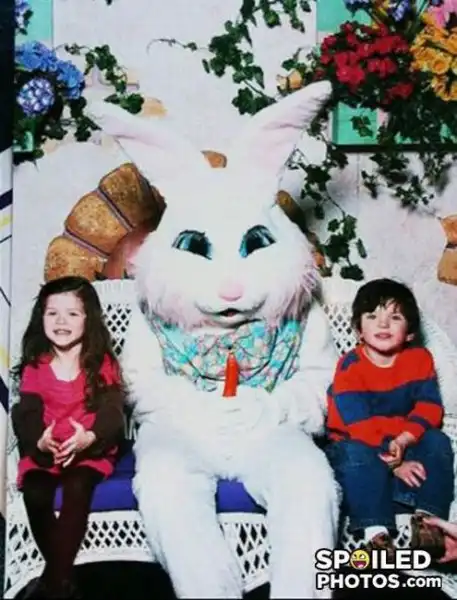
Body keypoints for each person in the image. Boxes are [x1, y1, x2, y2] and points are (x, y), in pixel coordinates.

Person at [10, 276, 126, 599]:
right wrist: (40, 442)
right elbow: (27, 413)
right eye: (53, 313)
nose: (61, 321)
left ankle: (54, 584)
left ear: (89, 319)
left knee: (77, 487)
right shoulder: (36, 367)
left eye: (72, 313)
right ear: (41, 318)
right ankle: (64, 580)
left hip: (88, 450)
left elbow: (113, 413)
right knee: (35, 491)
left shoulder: (101, 363)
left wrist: (90, 437)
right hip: (47, 449)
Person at [325, 278, 454, 560]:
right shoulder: (350, 367)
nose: (383, 324)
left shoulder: (419, 359)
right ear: (358, 329)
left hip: (401, 444)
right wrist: (394, 463)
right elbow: (360, 427)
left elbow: (430, 407)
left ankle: (428, 523)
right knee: (354, 453)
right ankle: (377, 535)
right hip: (357, 448)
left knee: (437, 440)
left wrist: (405, 440)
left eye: (395, 317)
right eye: (372, 316)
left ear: (409, 332)